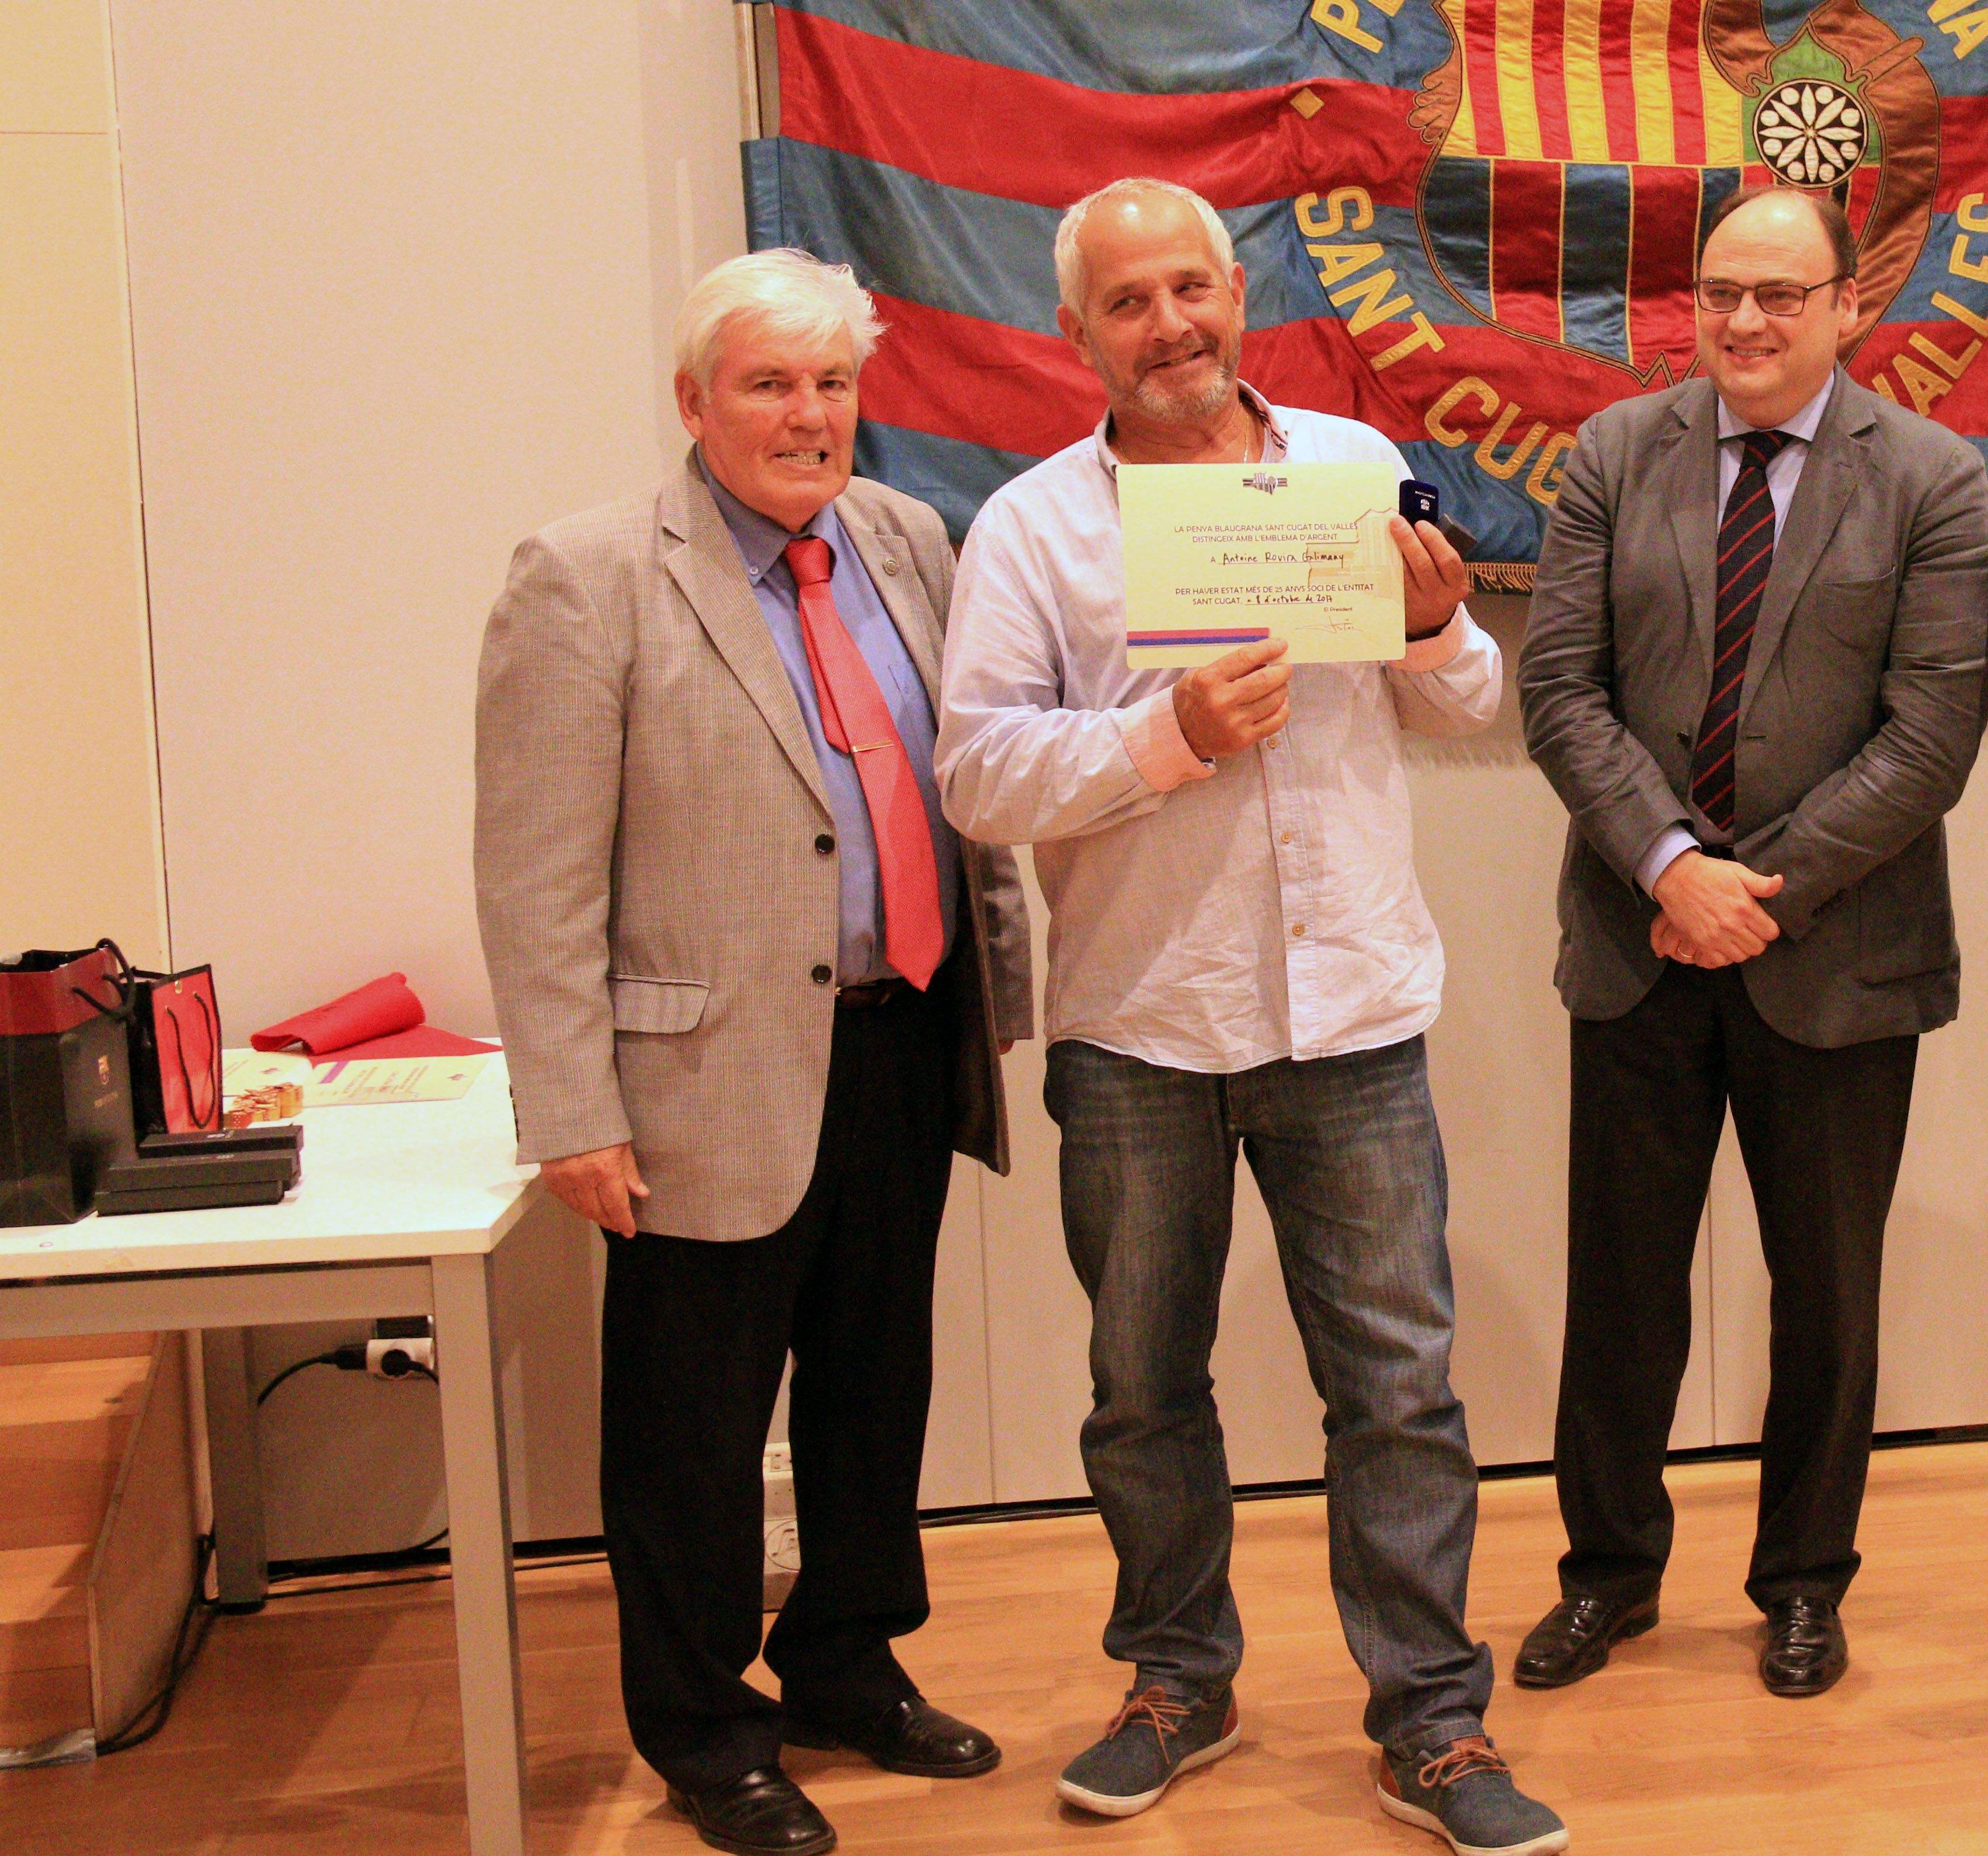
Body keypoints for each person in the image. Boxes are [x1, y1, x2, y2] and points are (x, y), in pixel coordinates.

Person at [936, 177, 1568, 1856]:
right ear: (1078, 334)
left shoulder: (1362, 470)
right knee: (1145, 1384)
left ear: (1239, 295)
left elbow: (1470, 694)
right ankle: (1175, 1681)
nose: (1170, 326)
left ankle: (1432, 1719)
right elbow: (979, 770)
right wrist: (1167, 738)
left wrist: (1438, 622)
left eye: (1191, 290)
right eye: (1128, 303)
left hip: (1352, 1009)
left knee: (1401, 1390)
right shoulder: (1027, 530)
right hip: (1140, 1023)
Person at [475, 249, 1033, 1855]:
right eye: (770, 383)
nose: (808, 414)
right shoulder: (586, 577)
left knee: (876, 1387)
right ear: (693, 400)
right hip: (697, 1080)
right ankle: (706, 1727)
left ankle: (845, 1659)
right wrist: (568, 1105)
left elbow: (958, 773)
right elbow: (534, 873)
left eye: (833, 383)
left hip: (902, 1043)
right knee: (694, 1428)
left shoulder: (908, 539)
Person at [1515, 185, 1988, 1700]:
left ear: (1850, 306)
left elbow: (1931, 736)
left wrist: (1753, 888)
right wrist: (1670, 865)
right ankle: (1608, 1575)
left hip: (1838, 954)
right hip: (1638, 938)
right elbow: (1562, 695)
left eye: (1781, 295)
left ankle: (1803, 1582)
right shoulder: (1612, 455)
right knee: (1624, 1287)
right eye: (1722, 290)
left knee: (1828, 1295)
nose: (1743, 321)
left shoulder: (1930, 476)